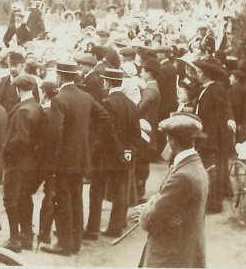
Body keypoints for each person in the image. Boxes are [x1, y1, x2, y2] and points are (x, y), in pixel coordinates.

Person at [40, 61, 111, 256]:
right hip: (81, 156)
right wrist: (88, 139)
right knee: (76, 197)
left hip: (63, 160)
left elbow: (55, 133)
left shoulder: (59, 100)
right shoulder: (86, 97)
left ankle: (64, 243)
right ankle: (75, 241)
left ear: (60, 77)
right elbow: (103, 116)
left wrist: (53, 158)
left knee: (63, 199)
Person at [132, 113, 209, 268]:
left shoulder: (182, 175)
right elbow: (166, 202)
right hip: (186, 251)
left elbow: (151, 221)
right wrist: (159, 208)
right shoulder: (194, 164)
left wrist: (148, 209)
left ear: (172, 140)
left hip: (171, 257)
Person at [85, 68, 141, 239]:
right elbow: (136, 133)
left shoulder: (107, 103)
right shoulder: (131, 104)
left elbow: (107, 132)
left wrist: (118, 151)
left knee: (96, 192)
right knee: (120, 192)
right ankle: (115, 228)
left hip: (106, 156)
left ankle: (93, 229)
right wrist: (128, 152)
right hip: (124, 157)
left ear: (107, 82)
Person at [1, 73, 46, 252]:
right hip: (31, 162)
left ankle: (14, 239)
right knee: (24, 197)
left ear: (18, 89)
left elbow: (20, 139)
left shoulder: (23, 110)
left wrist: (5, 149)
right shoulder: (36, 107)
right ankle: (26, 235)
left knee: (10, 199)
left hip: (17, 162)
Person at [192, 61, 236, 214]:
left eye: (199, 71)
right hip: (204, 134)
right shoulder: (204, 89)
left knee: (211, 170)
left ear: (207, 74)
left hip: (212, 137)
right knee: (207, 169)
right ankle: (209, 201)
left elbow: (225, 107)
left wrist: (230, 119)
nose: (197, 74)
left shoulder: (216, 89)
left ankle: (215, 204)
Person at [36, 81, 59, 245]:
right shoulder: (58, 110)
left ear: (43, 94)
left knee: (49, 196)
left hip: (45, 161)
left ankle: (44, 233)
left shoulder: (44, 112)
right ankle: (46, 232)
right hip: (58, 160)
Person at [0, 52, 40, 123]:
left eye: (15, 66)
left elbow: (35, 104)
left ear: (23, 65)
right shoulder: (1, 82)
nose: (13, 68)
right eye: (11, 65)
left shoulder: (30, 82)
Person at [137, 59, 163, 159]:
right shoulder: (152, 87)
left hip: (145, 124)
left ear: (149, 73)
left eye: (143, 71)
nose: (141, 73)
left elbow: (140, 107)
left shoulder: (150, 89)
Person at [227, 70, 246, 142]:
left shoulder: (236, 90)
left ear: (237, 79)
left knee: (238, 140)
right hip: (242, 120)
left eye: (231, 77)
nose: (229, 78)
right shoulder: (242, 88)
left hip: (238, 120)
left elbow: (238, 106)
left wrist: (238, 122)